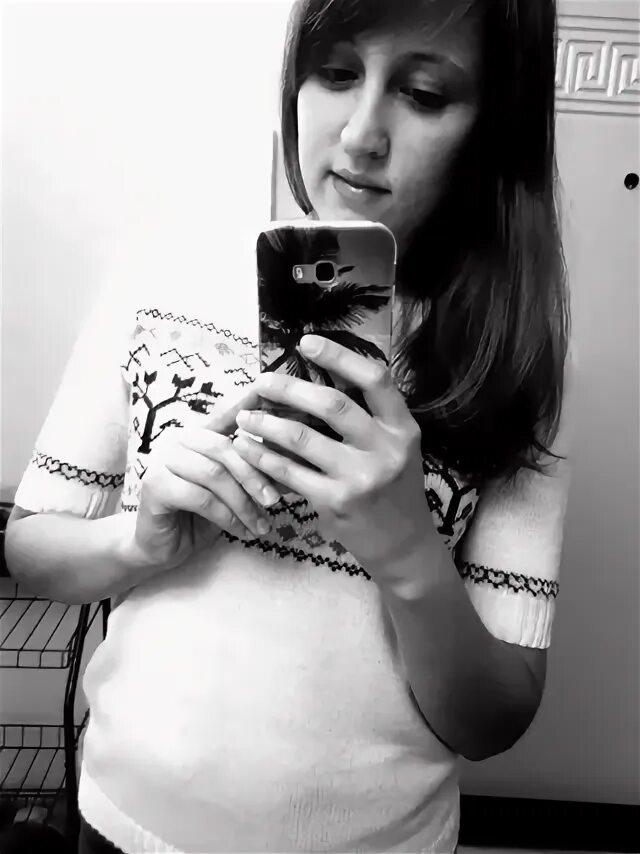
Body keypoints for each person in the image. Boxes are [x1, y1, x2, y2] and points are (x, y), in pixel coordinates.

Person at [5, 0, 576, 851]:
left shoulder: (510, 357)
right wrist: (139, 544)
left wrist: (407, 552)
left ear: (493, 121)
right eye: (336, 73)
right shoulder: (157, 275)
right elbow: (29, 550)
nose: (360, 136)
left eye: (424, 94)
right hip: (124, 823)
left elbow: (494, 719)